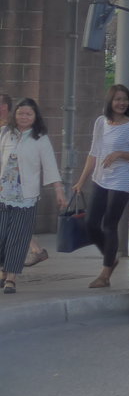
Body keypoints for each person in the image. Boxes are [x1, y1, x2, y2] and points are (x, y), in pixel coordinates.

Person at [72, 84, 129, 289]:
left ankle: (104, 275)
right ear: (110, 102)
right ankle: (110, 257)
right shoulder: (101, 122)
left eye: (125, 99)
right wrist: (81, 181)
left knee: (109, 225)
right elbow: (93, 153)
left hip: (120, 182)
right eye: (117, 99)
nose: (121, 103)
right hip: (100, 179)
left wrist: (120, 154)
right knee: (91, 224)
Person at [0, 98, 68, 294]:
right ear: (15, 115)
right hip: (3, 193)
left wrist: (59, 190)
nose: (24, 117)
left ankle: (11, 278)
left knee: (18, 238)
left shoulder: (40, 138)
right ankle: (3, 271)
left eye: (28, 114)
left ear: (35, 116)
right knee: (2, 235)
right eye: (21, 113)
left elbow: (50, 166)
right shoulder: (5, 133)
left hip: (26, 197)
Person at [0, 93, 49, 267]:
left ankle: (10, 270)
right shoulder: (7, 129)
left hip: (19, 188)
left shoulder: (10, 128)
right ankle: (35, 251)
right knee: (12, 228)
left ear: (6, 107)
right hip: (6, 187)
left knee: (15, 228)